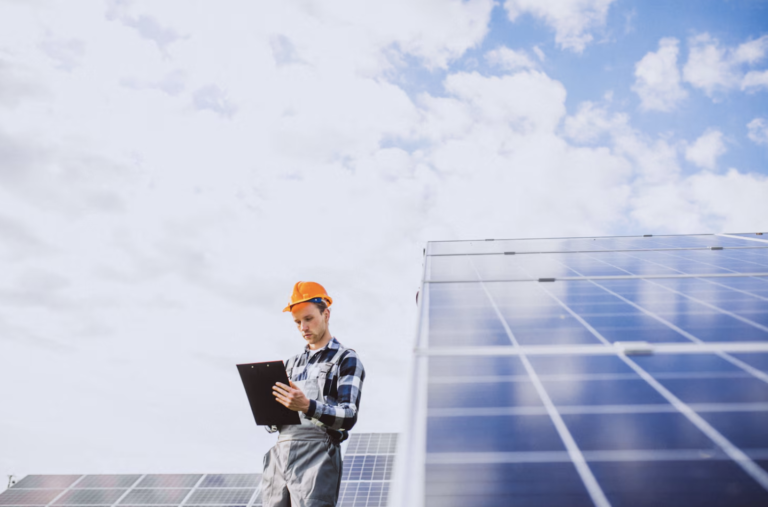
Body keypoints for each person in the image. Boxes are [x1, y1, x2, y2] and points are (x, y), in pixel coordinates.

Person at [261, 281, 365, 507]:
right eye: (297, 322)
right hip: (280, 454)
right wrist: (267, 411)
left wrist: (307, 406)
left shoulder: (345, 359)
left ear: (326, 314)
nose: (303, 327)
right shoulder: (289, 365)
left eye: (308, 319)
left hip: (317, 456)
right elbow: (273, 425)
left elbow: (348, 416)